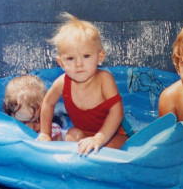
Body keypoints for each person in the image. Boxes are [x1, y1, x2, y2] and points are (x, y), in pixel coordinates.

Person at [37, 13, 127, 155]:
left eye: (86, 56)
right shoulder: (61, 83)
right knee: (72, 136)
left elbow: (117, 112)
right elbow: (48, 104)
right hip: (83, 134)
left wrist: (99, 138)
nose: (79, 64)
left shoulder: (105, 80)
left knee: (105, 151)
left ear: (100, 57)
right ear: (61, 63)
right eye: (71, 58)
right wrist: (45, 133)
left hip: (114, 135)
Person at [3, 74, 63, 141]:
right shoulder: (8, 133)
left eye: (36, 121)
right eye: (23, 123)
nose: (31, 127)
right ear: (10, 116)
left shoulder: (53, 131)